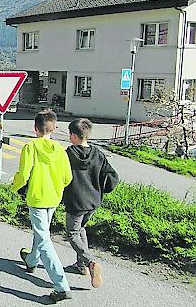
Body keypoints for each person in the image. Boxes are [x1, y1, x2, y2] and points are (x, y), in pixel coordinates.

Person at [11, 109, 73, 303]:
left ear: (35, 128)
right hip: (54, 197)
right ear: (53, 128)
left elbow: (23, 175)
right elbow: (67, 177)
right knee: (42, 232)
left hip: (36, 197)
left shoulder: (31, 147)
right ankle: (31, 261)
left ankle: (61, 285)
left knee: (44, 239)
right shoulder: (61, 150)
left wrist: (14, 188)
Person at [63, 118, 119, 288]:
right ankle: (81, 266)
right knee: (81, 229)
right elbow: (112, 176)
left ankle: (90, 262)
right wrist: (102, 190)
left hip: (75, 200)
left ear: (73, 135)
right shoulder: (98, 154)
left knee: (72, 233)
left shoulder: (68, 154)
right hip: (93, 200)